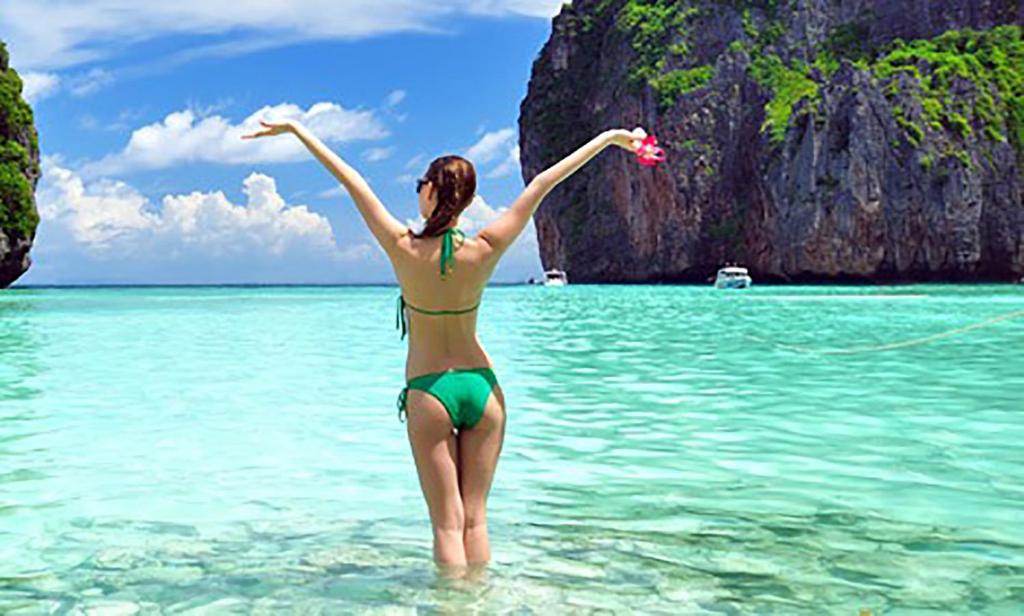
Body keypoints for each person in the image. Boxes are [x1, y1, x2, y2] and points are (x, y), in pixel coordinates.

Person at [242, 119, 648, 567]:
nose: (418, 191)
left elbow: (350, 179)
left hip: (429, 390)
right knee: (476, 519)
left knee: (447, 524)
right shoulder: (487, 246)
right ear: (468, 199)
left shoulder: (403, 247)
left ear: (433, 191)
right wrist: (611, 138)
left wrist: (298, 131)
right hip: (482, 387)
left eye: (421, 184)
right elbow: (543, 182)